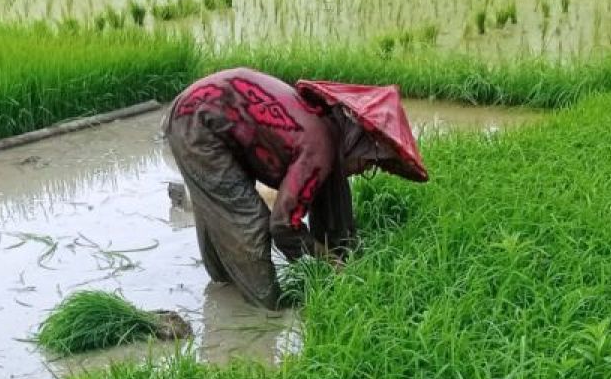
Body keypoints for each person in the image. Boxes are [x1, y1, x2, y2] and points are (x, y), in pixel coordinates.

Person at [164, 67, 429, 309]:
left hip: (212, 114)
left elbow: (333, 198)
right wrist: (326, 261)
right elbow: (282, 224)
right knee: (249, 222)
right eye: (368, 163)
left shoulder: (330, 127)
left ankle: (224, 284)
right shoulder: (320, 146)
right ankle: (265, 310)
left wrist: (346, 254)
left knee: (224, 209)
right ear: (357, 145)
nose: (363, 171)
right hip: (197, 124)